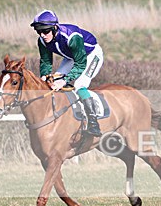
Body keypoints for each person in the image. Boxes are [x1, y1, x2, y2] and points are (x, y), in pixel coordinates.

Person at [30, 9, 105, 137]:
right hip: (71, 57)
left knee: (80, 85)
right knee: (52, 83)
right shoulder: (42, 41)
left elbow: (81, 64)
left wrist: (64, 80)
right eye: (39, 31)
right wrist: (45, 76)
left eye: (46, 31)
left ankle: (94, 123)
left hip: (91, 55)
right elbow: (46, 61)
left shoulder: (72, 37)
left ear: (55, 28)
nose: (42, 35)